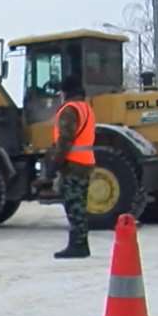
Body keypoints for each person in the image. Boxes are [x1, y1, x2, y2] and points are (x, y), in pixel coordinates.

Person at [44, 76, 96, 259]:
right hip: (86, 162)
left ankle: (78, 245)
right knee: (79, 204)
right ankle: (81, 243)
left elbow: (65, 140)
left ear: (66, 92)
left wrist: (53, 166)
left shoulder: (69, 110)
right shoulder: (86, 108)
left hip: (73, 165)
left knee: (74, 206)